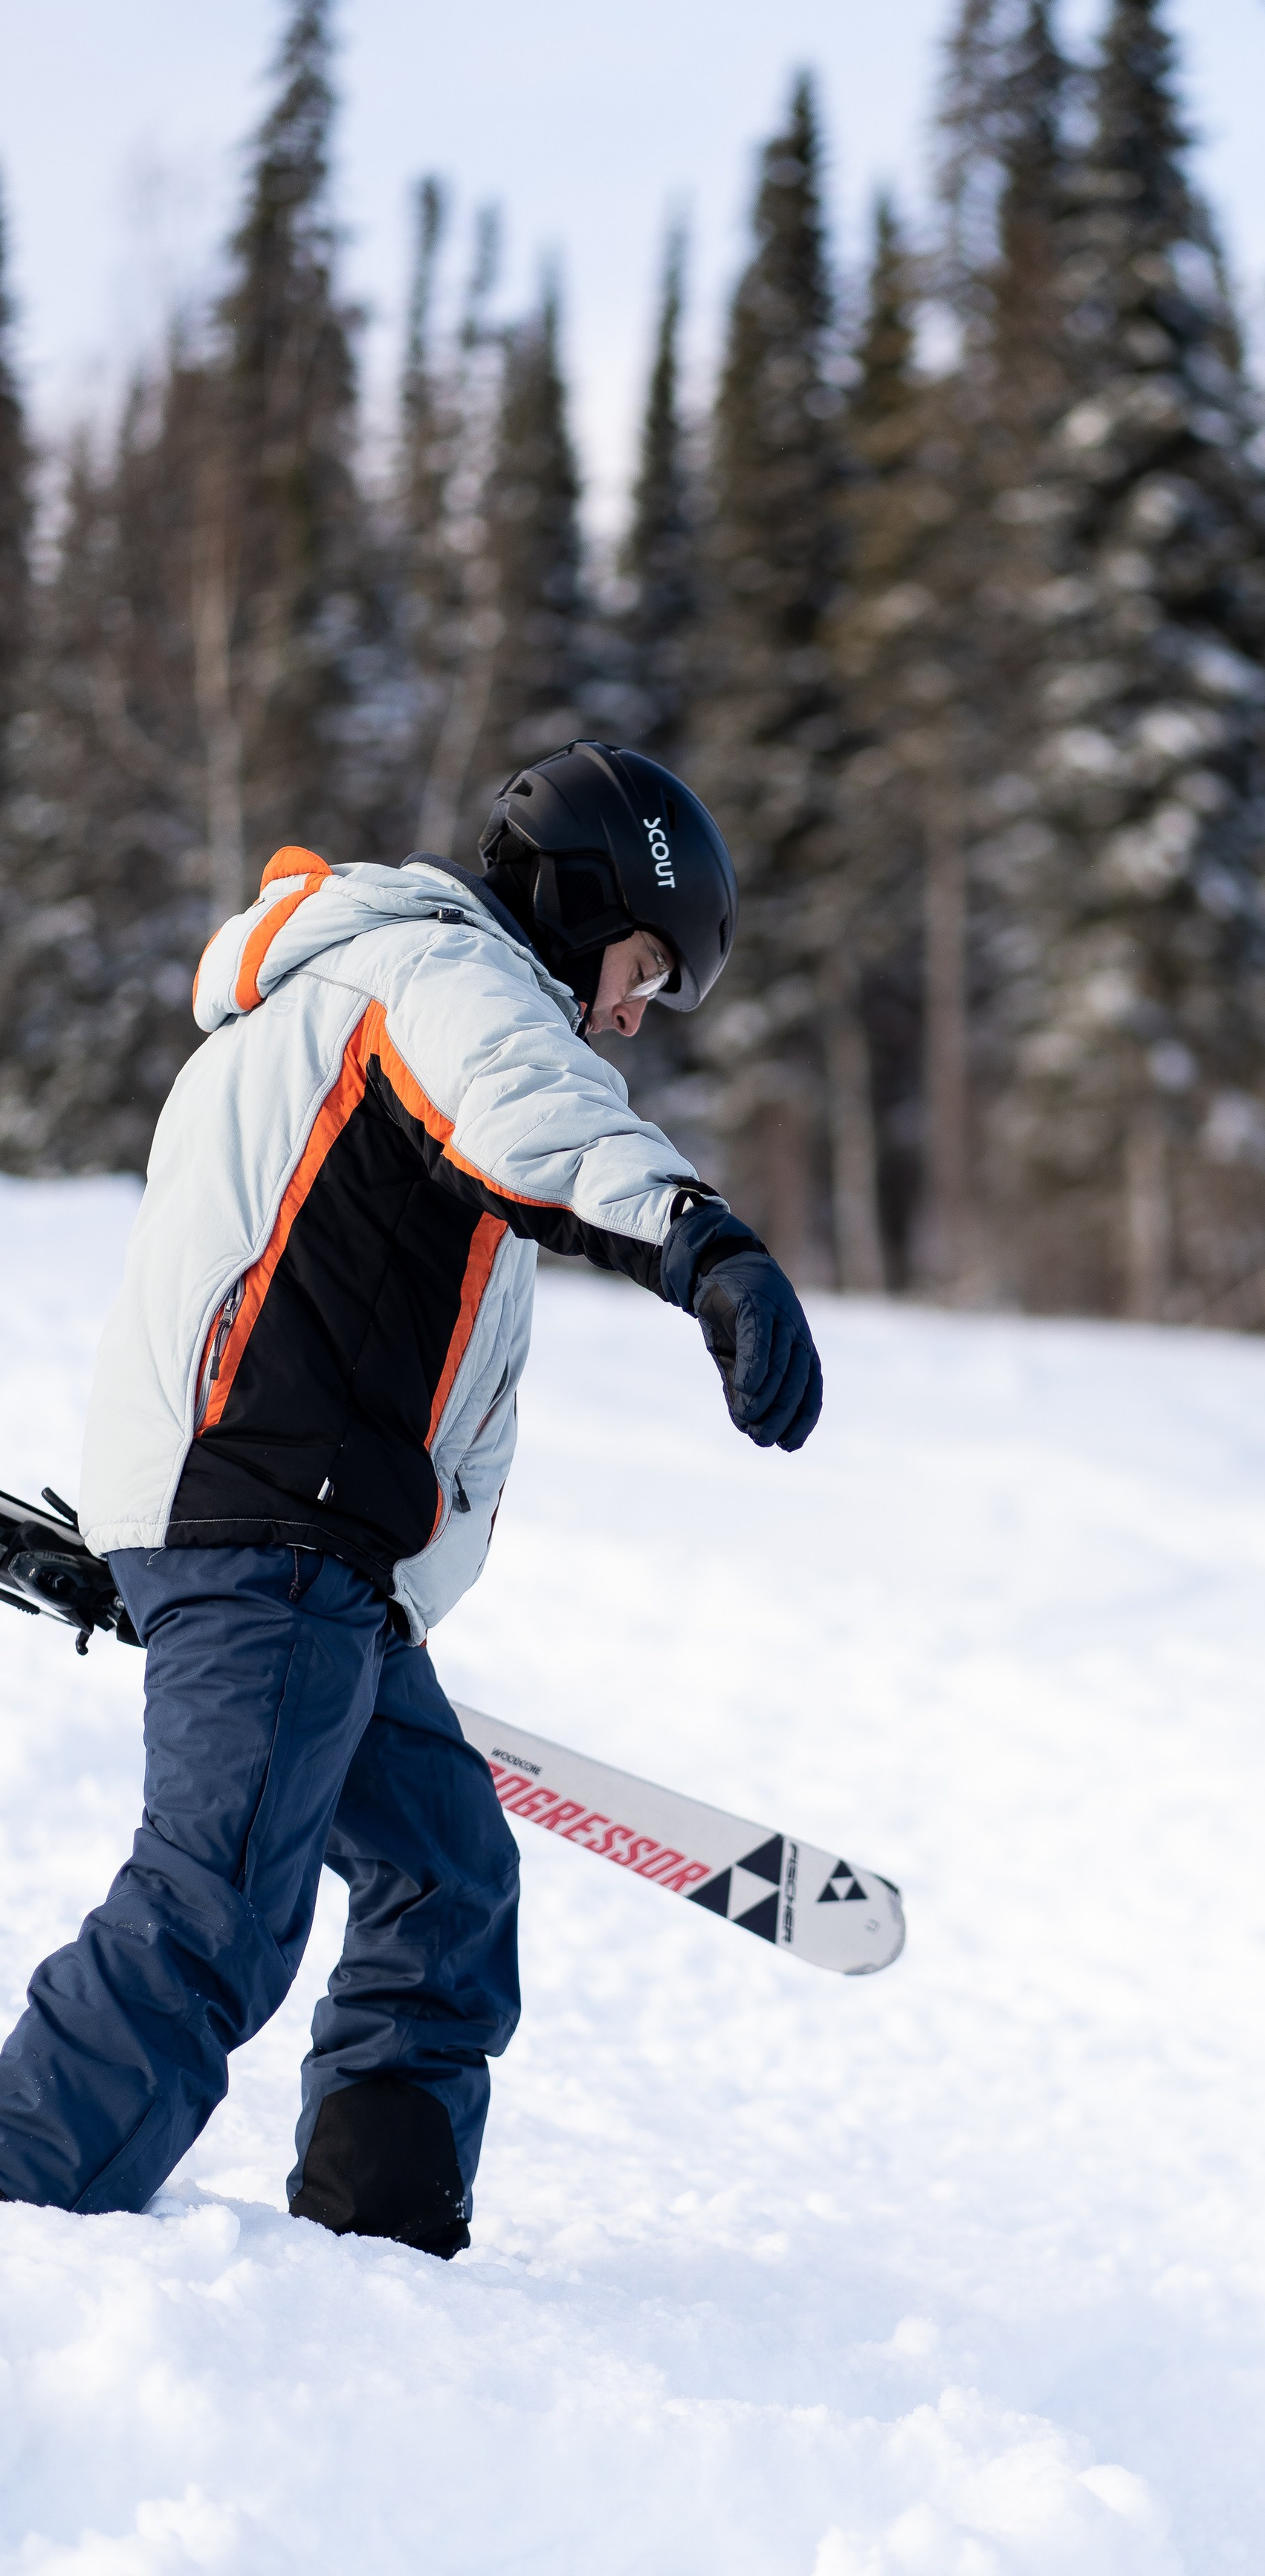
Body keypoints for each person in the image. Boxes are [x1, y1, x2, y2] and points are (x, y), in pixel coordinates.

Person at [0, 742, 820, 2255]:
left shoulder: (333, 999)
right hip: (275, 1528)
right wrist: (702, 1243)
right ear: (581, 906)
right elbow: (540, 1122)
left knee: (445, 1885)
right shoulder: (446, 983)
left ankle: (377, 2246)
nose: (638, 1009)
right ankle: (23, 2209)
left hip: (304, 1554)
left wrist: (159, 1541)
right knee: (216, 1918)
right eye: (644, 965)